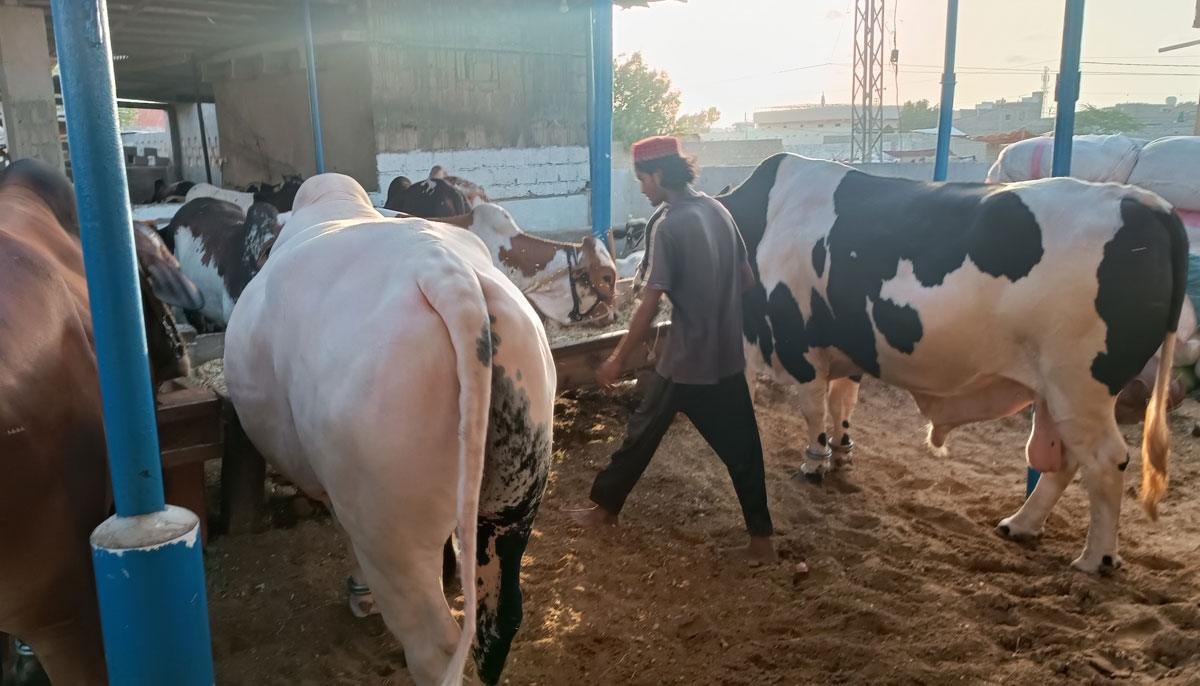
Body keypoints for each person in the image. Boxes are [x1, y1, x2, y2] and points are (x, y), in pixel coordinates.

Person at [568, 135, 777, 565]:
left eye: (643, 179)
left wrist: (617, 359)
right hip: (724, 354)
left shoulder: (671, 224)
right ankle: (761, 542)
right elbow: (747, 282)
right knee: (740, 449)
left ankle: (604, 510)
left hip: (685, 358)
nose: (642, 187)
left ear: (659, 175)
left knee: (643, 432)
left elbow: (648, 304)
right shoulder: (718, 211)